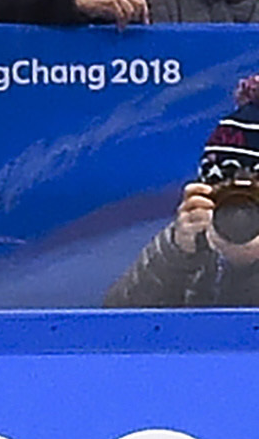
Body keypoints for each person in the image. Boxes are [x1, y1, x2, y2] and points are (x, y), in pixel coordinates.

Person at [107, 78, 259, 310]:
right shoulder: (195, 236)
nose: (240, 206)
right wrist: (174, 252)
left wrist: (249, 270)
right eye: (225, 187)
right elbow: (117, 323)